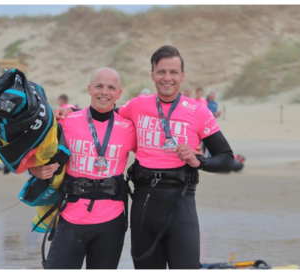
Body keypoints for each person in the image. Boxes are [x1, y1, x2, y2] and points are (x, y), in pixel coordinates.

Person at [55, 45, 235, 271]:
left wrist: (199, 162)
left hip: (181, 203)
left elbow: (227, 158)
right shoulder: (138, 105)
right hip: (144, 203)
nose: (167, 78)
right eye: (161, 72)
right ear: (152, 74)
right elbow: (103, 112)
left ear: (182, 76)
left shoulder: (198, 111)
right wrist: (71, 110)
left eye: (173, 72)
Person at [30, 68, 135, 271]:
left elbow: (156, 157)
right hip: (70, 218)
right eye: (99, 86)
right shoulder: (66, 121)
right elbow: (35, 155)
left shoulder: (129, 128)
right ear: (89, 89)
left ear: (119, 93)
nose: (104, 92)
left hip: (111, 222)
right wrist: (34, 170)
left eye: (111, 87)